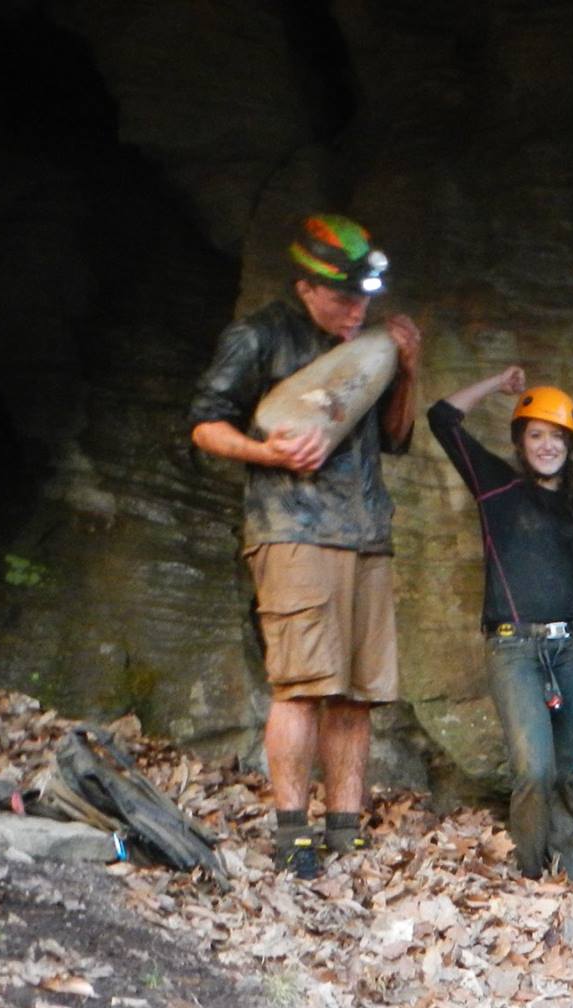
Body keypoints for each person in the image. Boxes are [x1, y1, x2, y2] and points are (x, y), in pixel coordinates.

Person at [188, 213, 421, 876]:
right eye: (344, 297)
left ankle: (346, 830)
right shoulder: (260, 335)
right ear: (305, 287)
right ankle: (293, 834)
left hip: (365, 531)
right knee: (302, 686)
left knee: (356, 692)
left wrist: (407, 367)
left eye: (365, 298)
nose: (357, 309)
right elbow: (205, 422)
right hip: (292, 530)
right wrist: (267, 451)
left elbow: (397, 439)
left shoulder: (366, 344)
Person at [427, 367, 573, 880]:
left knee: (570, 772)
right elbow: (441, 419)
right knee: (535, 769)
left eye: (557, 436)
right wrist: (496, 383)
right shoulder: (496, 485)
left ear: (569, 445)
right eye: (536, 434)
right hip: (514, 647)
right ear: (519, 440)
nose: (547, 445)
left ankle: (568, 878)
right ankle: (532, 879)